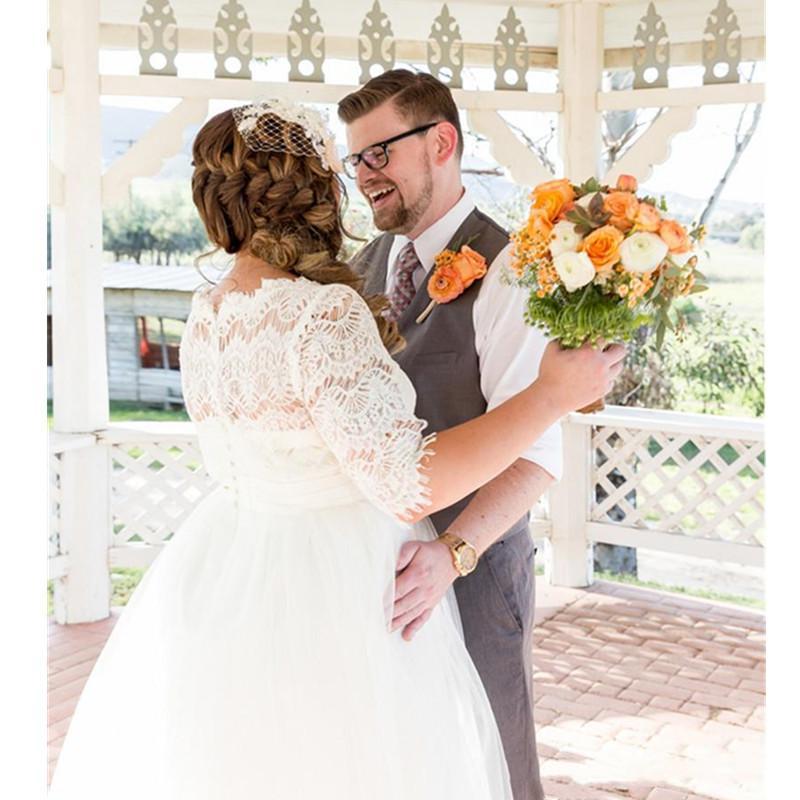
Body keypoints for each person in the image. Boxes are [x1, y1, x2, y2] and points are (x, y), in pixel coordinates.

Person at [48, 100, 624, 800]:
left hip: (232, 578)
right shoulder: (320, 311)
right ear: (314, 188)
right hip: (339, 589)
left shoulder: (209, 313)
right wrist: (554, 393)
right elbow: (407, 485)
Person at [338, 69, 563, 800]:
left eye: (379, 153)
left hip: (473, 572)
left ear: (441, 142)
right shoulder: (358, 269)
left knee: (495, 761)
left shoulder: (512, 271)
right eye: (356, 159)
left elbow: (538, 452)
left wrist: (452, 555)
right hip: (374, 572)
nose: (364, 175)